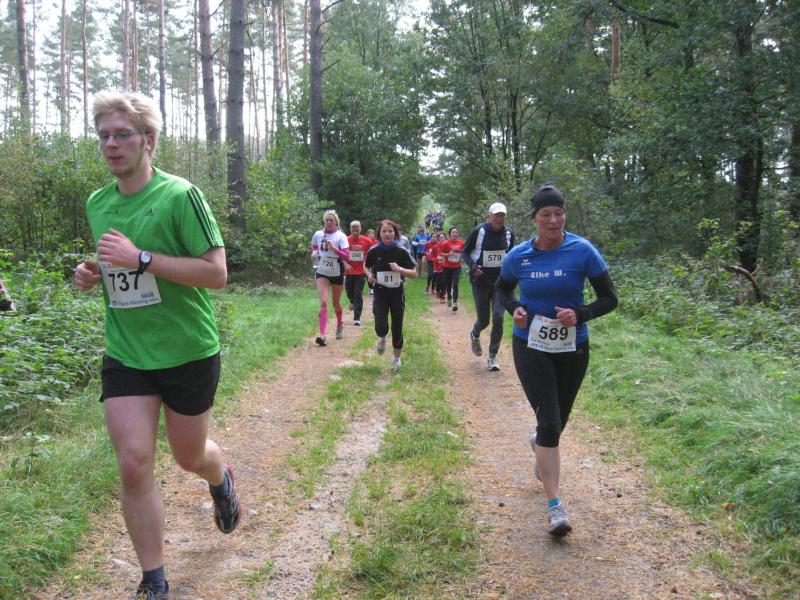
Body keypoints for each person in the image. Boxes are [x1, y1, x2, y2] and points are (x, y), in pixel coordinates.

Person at [73, 91, 239, 600]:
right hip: (127, 352)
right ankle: (154, 580)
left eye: (122, 134)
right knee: (133, 462)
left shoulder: (179, 196)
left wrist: (141, 258)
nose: (111, 144)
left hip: (187, 350)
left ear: (148, 140)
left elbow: (216, 273)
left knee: (190, 457)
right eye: (103, 135)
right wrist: (93, 273)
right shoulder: (98, 203)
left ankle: (220, 477)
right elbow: (116, 265)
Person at [496, 184, 618, 537]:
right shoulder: (519, 255)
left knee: (558, 421)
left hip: (572, 348)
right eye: (546, 214)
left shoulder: (582, 251)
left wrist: (581, 314)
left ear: (565, 215)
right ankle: (555, 506)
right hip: (530, 345)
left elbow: (609, 298)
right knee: (550, 421)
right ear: (534, 219)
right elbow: (502, 289)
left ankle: (540, 444)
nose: (554, 220)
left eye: (559, 214)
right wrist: (515, 308)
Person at [462, 202, 515, 371]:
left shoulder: (509, 234)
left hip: (500, 284)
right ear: (489, 216)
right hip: (481, 283)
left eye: (502, 215)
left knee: (499, 318)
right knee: (484, 321)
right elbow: (464, 252)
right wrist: (473, 267)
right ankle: (475, 333)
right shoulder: (480, 231)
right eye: (496, 215)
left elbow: (511, 256)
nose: (499, 218)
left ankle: (492, 357)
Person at [364, 219, 417, 371]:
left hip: (396, 293)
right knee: (380, 325)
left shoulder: (401, 251)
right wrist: (369, 275)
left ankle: (396, 359)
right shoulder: (374, 250)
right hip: (380, 292)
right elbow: (365, 266)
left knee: (397, 325)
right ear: (379, 234)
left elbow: (414, 273)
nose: (387, 234)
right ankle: (382, 337)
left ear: (395, 233)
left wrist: (399, 269)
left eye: (390, 231)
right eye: (384, 231)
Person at [310, 210, 350, 346]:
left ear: (336, 222)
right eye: (326, 220)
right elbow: (314, 245)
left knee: (335, 303)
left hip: (337, 271)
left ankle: (340, 324)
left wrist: (334, 248)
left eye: (331, 220)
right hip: (322, 271)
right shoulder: (318, 234)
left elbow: (346, 256)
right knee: (323, 302)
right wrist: (315, 252)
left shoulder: (341, 236)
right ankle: (322, 335)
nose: (328, 222)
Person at [344, 220, 374, 326]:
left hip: (361, 271)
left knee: (358, 293)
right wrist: (345, 264)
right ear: (350, 230)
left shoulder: (367, 241)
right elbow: (341, 254)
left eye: (357, 230)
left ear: (360, 229)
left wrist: (370, 268)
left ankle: (357, 318)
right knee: (349, 291)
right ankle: (352, 301)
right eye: (353, 230)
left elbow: (372, 254)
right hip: (349, 271)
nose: (355, 232)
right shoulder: (346, 240)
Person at [438, 226, 465, 311]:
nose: (454, 233)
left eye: (456, 232)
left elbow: (463, 253)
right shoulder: (445, 243)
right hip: (447, 267)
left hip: (456, 267)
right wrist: (448, 254)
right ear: (450, 234)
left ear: (458, 234)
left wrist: (462, 258)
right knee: (448, 285)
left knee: (455, 284)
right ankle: (449, 296)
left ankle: (455, 302)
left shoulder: (461, 243)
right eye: (453, 232)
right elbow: (440, 253)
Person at [429, 231, 447, 302]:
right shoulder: (435, 247)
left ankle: (442, 296)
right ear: (438, 239)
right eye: (440, 237)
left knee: (444, 282)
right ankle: (438, 291)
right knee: (438, 282)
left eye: (443, 237)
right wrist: (437, 259)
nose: (442, 239)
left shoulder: (448, 246)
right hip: (437, 268)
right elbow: (431, 257)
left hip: (446, 267)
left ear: (445, 238)